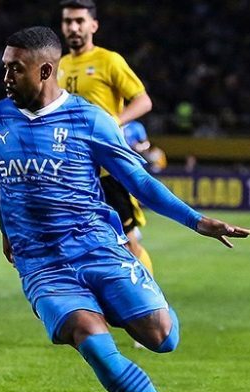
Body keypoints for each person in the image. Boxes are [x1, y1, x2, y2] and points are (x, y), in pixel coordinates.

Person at [0, 27, 250, 392]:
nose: (6, 77)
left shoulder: (90, 120)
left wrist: (196, 221)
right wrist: (5, 231)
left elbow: (138, 180)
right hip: (42, 262)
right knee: (89, 336)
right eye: (5, 67)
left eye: (16, 69)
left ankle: (112, 301)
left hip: (97, 246)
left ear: (45, 70)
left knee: (162, 336)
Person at [58, 0, 156, 275]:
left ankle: (151, 295)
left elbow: (143, 101)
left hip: (107, 169)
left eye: (79, 21)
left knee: (128, 241)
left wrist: (114, 122)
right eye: (68, 21)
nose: (73, 27)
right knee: (80, 244)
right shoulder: (60, 65)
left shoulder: (109, 60)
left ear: (93, 25)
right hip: (73, 171)